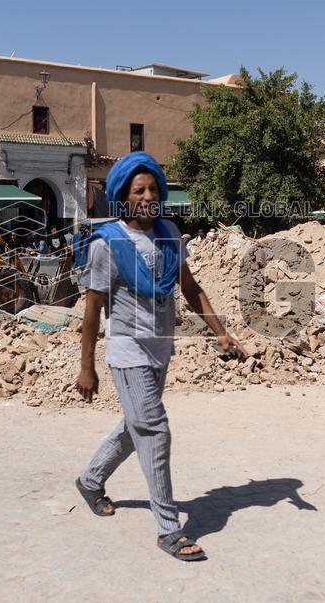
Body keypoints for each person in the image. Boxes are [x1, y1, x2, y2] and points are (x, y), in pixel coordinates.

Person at [74, 151, 247, 562]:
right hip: (126, 349)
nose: (148, 195)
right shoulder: (107, 244)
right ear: (123, 196)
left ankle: (90, 480)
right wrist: (87, 366)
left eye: (153, 188)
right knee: (154, 430)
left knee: (135, 426)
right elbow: (93, 309)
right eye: (139, 190)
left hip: (160, 348)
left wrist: (221, 333)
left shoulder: (169, 233)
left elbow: (190, 287)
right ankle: (169, 528)